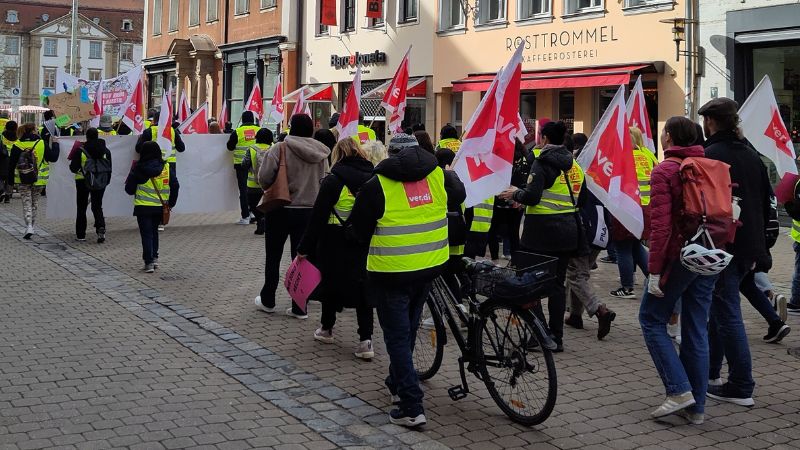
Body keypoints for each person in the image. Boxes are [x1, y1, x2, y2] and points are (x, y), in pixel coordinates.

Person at [347, 133, 465, 427]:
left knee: (397, 337)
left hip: (392, 272)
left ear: (391, 154)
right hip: (430, 267)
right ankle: (396, 382)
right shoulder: (438, 175)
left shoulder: (377, 185)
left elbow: (358, 232)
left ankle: (411, 405)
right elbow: (460, 195)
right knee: (409, 328)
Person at [638, 116, 717, 425]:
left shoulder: (665, 170)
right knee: (697, 327)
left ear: (668, 137)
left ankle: (679, 390)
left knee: (651, 319)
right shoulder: (708, 165)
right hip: (710, 254)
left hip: (678, 257)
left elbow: (660, 228)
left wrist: (654, 271)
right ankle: (696, 409)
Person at [701, 98, 771, 407]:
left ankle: (741, 383)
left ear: (711, 123)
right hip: (749, 245)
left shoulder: (712, 155)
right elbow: (763, 200)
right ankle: (711, 372)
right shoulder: (752, 154)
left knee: (727, 314)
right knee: (719, 312)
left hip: (723, 245)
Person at [499, 121, 585, 352]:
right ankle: (556, 337)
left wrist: (514, 193)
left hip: (541, 232)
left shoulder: (542, 162)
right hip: (569, 231)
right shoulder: (574, 164)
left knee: (528, 282)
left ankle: (539, 333)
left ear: (545, 138)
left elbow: (533, 197)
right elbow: (582, 197)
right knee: (557, 285)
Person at [297, 138, 376, 359]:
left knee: (330, 284)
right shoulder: (374, 178)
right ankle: (366, 340)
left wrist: (304, 247)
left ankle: (327, 328)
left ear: (337, 155)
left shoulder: (332, 181)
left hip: (333, 239)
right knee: (362, 289)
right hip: (362, 239)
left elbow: (318, 217)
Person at [255, 114, 330, 319]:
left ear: (291, 127)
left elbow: (264, 177)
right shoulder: (321, 152)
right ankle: (300, 306)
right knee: (302, 259)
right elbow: (325, 180)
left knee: (273, 255)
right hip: (309, 211)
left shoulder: (279, 148)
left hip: (280, 208)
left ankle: (268, 299)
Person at [609, 127, 655, 298]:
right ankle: (653, 277)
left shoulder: (623, 157)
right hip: (646, 208)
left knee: (622, 247)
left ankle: (627, 287)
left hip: (627, 208)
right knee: (636, 245)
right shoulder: (649, 155)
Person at [125, 141, 177, 273]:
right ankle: (154, 258)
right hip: (160, 206)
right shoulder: (166, 167)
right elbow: (175, 185)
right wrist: (170, 203)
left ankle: (148, 263)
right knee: (154, 233)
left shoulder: (137, 168)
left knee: (146, 234)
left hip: (143, 207)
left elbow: (129, 190)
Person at [135, 110, 185, 231]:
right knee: (164, 191)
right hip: (169, 166)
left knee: (151, 191)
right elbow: (182, 148)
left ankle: (152, 219)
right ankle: (162, 219)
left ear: (155, 120)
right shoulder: (172, 131)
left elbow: (138, 148)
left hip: (150, 165)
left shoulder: (149, 131)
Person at [8, 123, 56, 239]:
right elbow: (53, 157)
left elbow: (11, 166)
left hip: (22, 179)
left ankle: (29, 226)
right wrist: (55, 144)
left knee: (26, 203)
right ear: (34, 131)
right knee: (35, 204)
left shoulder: (17, 145)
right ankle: (32, 226)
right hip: (39, 180)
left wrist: (10, 182)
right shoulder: (42, 143)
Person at [69, 128, 111, 243]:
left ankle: (81, 235)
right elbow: (109, 168)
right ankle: (100, 228)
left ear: (86, 137)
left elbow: (73, 168)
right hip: (101, 181)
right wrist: (106, 181)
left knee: (81, 208)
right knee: (97, 206)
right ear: (97, 136)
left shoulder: (80, 150)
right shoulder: (106, 151)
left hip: (82, 181)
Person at [227, 111, 260, 225]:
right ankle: (253, 213)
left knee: (243, 190)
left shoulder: (237, 131)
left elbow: (230, 147)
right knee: (255, 189)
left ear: (242, 120)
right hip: (256, 164)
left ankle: (245, 216)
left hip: (241, 165)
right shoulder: (259, 130)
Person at [241, 128, 273, 235]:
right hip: (269, 185)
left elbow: (244, 164)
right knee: (268, 206)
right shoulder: (273, 148)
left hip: (253, 185)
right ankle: (266, 221)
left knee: (254, 206)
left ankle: (260, 221)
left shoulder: (251, 149)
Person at [0, 120, 18, 203]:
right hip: (14, 159)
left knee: (0, 176)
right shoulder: (18, 136)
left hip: (3, 158)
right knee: (10, 177)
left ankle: (2, 190)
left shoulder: (2, 136)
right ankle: (8, 195)